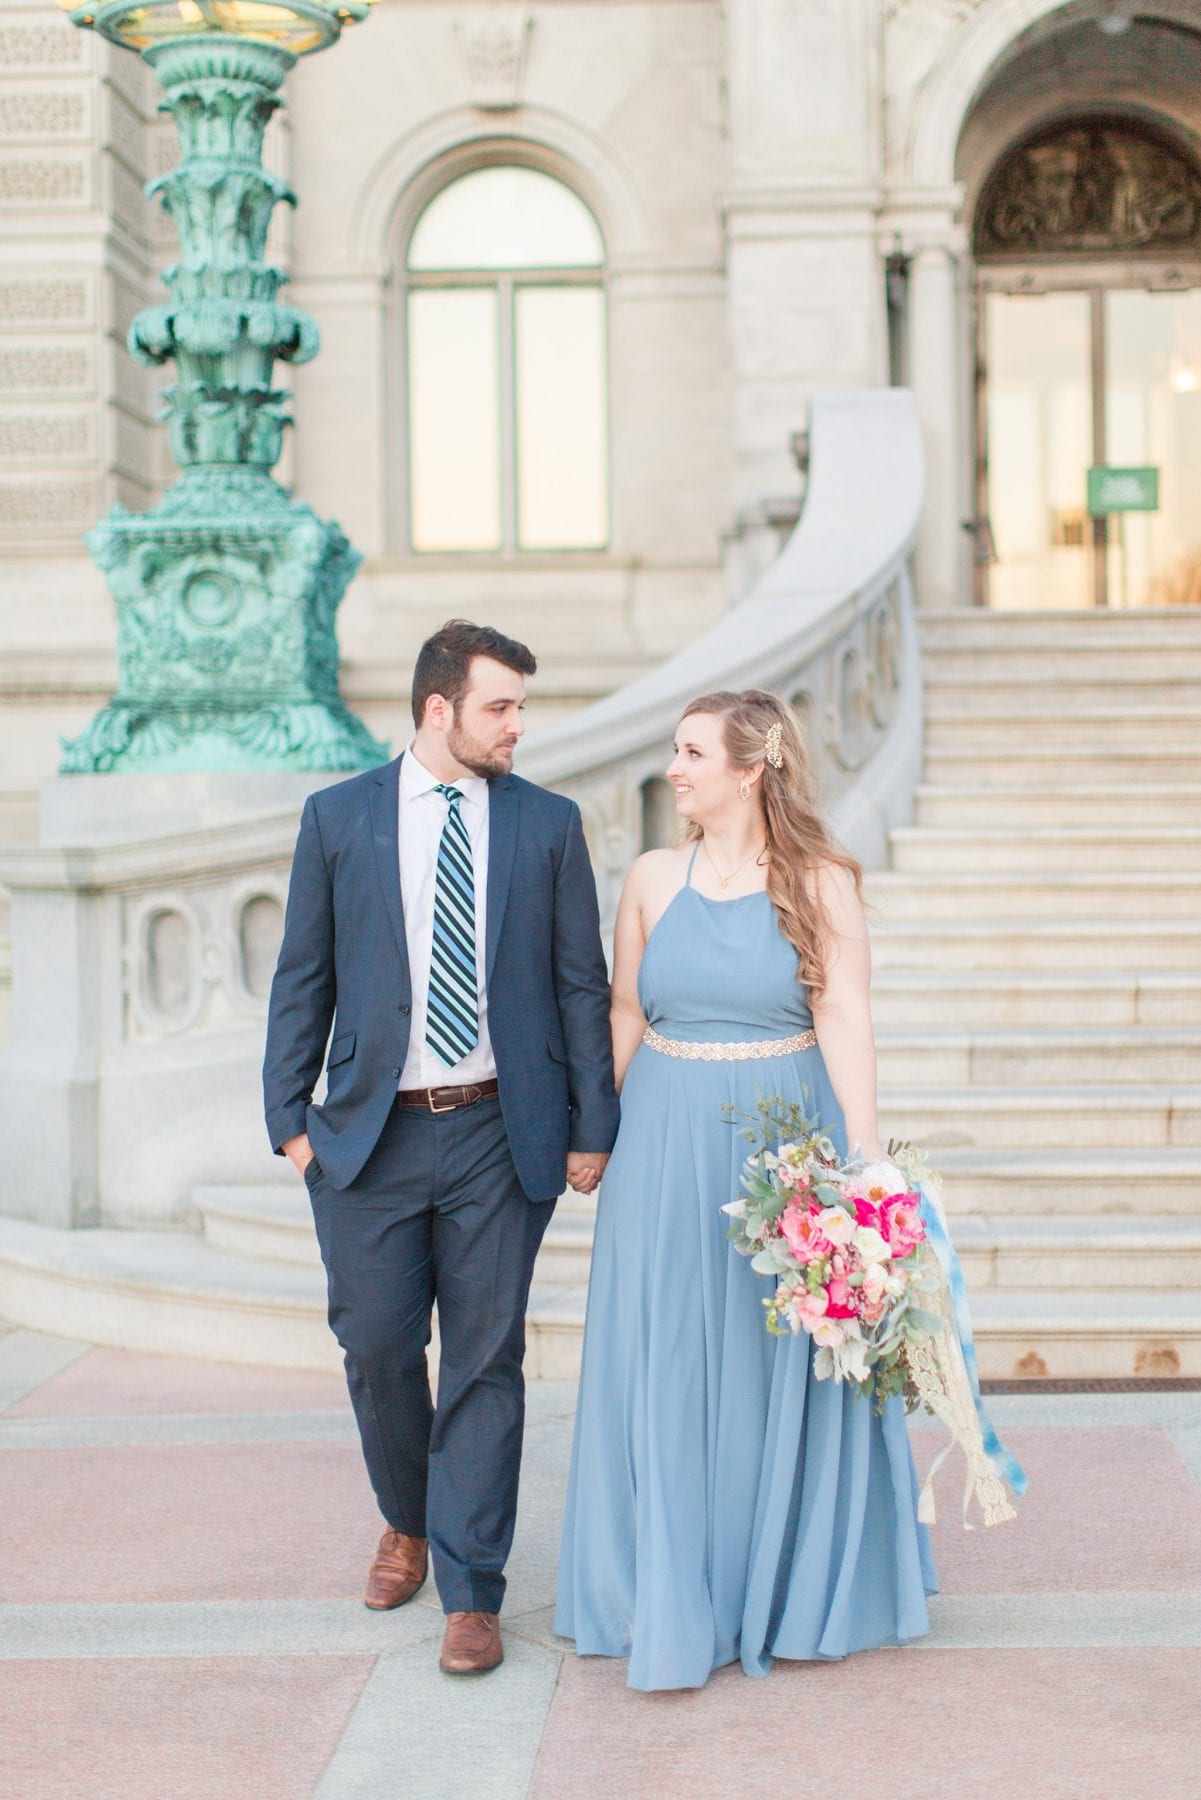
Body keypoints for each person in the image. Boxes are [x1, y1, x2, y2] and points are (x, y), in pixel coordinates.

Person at [555, 688, 936, 1691]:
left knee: (780, 1361)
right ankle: (663, 1590)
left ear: (748, 766)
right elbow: (627, 1010)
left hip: (784, 1143)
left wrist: (862, 1169)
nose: (673, 770)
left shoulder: (819, 880)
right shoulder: (647, 877)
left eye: (689, 753)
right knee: (667, 1357)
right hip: (662, 1147)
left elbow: (846, 1017)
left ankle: (781, 1585)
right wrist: (590, 1136)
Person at [264, 619, 618, 1677]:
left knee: (483, 1361)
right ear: (437, 710)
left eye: (519, 707)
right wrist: (288, 1121)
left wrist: (591, 1124)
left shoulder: (547, 826)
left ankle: (470, 1587)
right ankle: (407, 1518)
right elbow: (303, 974)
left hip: (497, 1133)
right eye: (499, 707)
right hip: (367, 1139)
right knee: (375, 1348)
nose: (517, 726)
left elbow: (577, 984)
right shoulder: (339, 819)